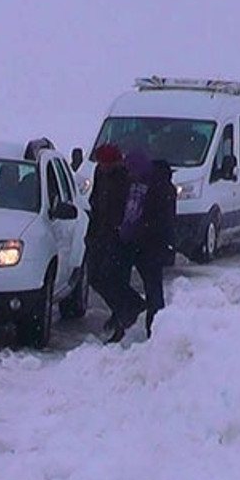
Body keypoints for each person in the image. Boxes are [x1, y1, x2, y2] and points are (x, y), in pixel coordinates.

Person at [85, 144, 144, 342]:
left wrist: (122, 231)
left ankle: (124, 318)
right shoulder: (100, 174)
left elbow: (130, 208)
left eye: (105, 164)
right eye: (100, 163)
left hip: (119, 238)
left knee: (116, 279)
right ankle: (129, 307)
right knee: (95, 276)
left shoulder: (126, 177)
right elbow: (96, 200)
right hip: (100, 234)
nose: (102, 167)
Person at [125, 154, 177, 337]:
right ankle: (154, 327)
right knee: (154, 289)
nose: (130, 174)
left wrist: (137, 230)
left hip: (149, 245)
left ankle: (155, 330)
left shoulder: (155, 188)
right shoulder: (157, 186)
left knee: (153, 290)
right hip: (148, 245)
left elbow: (161, 220)